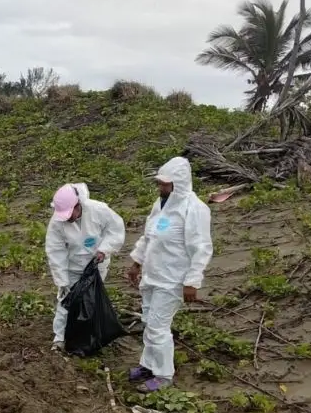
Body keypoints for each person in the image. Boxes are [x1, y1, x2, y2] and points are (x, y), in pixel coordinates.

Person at [126, 156, 213, 392]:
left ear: (179, 184)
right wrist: (137, 262)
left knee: (157, 327)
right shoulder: (160, 204)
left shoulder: (194, 209)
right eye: (160, 183)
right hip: (153, 275)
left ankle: (164, 375)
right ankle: (148, 365)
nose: (160, 188)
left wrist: (192, 282)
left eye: (165, 184)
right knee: (148, 321)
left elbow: (201, 247)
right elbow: (149, 236)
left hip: (173, 280)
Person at [44, 183, 126, 351]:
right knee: (66, 302)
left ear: (77, 205)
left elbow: (116, 230)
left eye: (70, 214)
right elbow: (55, 252)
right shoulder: (57, 222)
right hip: (72, 267)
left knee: (91, 300)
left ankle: (89, 336)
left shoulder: (99, 210)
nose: (68, 218)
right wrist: (62, 281)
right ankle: (59, 339)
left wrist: (104, 250)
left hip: (96, 266)